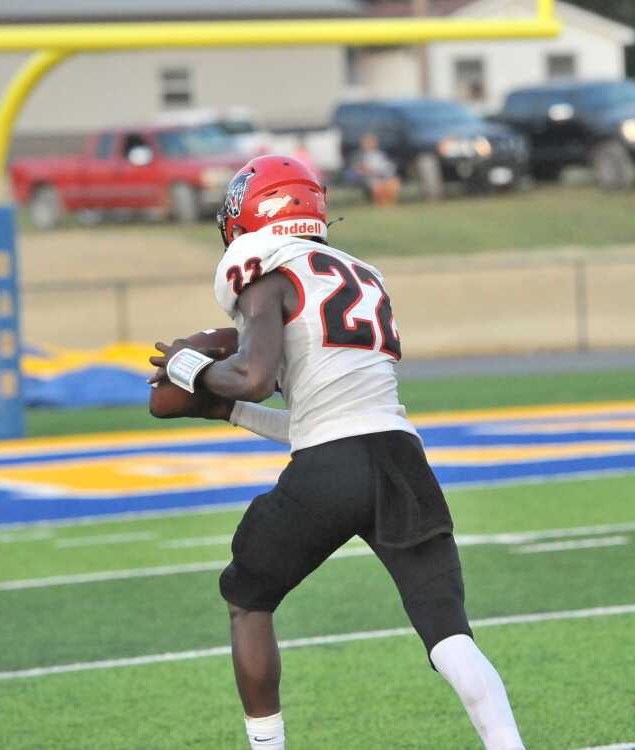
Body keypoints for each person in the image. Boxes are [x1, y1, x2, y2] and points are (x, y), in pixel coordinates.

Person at [149, 155, 525, 750]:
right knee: (449, 635)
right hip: (401, 459)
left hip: (331, 466)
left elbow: (251, 374)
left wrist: (187, 365)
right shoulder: (359, 272)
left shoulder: (269, 275)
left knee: (248, 599)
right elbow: (323, 414)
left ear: (253, 213)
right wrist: (231, 411)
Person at [351, 132, 401, 206]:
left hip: (383, 176)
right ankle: (380, 201)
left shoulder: (381, 154)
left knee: (393, 181)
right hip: (368, 179)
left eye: (372, 142)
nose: (370, 144)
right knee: (376, 184)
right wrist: (369, 171)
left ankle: (389, 201)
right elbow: (357, 170)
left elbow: (388, 167)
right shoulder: (358, 156)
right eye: (368, 142)